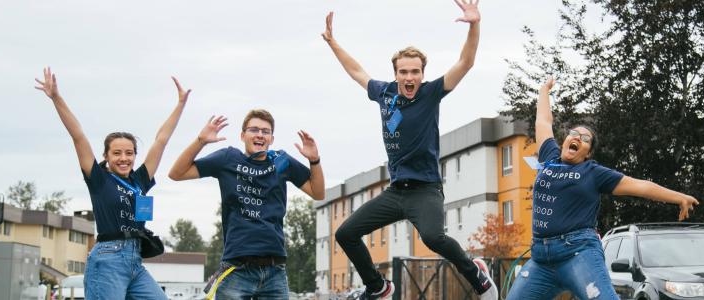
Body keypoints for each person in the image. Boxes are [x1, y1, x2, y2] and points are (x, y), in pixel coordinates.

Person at [322, 1, 497, 299]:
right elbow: (356, 71)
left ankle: (476, 275)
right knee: (345, 233)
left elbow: (465, 63)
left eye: (415, 72)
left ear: (422, 73)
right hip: (395, 192)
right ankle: (378, 286)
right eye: (403, 72)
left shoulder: (431, 93)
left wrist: (474, 25)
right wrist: (333, 43)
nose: (409, 78)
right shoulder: (384, 93)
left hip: (425, 189)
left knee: (432, 237)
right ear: (396, 73)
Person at [504, 78, 700, 300]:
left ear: (587, 153)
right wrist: (543, 90)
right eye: (573, 133)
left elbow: (641, 186)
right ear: (565, 140)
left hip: (578, 253)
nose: (577, 137)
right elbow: (543, 121)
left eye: (585, 138)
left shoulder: (593, 172)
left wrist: (679, 197)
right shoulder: (549, 155)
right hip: (541, 259)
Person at [34, 67, 189, 299]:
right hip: (108, 259)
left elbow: (161, 140)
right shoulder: (99, 179)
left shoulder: (140, 181)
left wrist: (180, 105)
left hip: (135, 260)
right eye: (117, 153)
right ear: (106, 156)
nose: (124, 158)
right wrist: (56, 97)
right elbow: (78, 136)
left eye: (129, 153)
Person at [168, 109, 325, 299]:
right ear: (243, 136)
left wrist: (314, 160)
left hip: (274, 270)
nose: (260, 135)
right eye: (254, 130)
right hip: (237, 269)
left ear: (271, 139)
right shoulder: (228, 158)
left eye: (265, 131)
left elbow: (318, 193)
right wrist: (200, 141)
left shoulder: (280, 162)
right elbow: (176, 173)